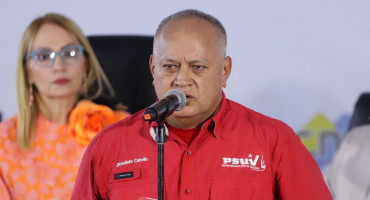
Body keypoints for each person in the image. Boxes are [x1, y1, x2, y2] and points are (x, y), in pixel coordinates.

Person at [72, 9, 332, 199]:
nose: (182, 80)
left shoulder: (274, 140)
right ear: (153, 69)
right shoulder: (108, 146)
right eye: (170, 66)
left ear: (225, 71)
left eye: (197, 67)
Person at [0, 13, 129, 199]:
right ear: (27, 72)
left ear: (85, 64)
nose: (58, 66)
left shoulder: (120, 128)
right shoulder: (4, 141)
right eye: (44, 57)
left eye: (69, 53)